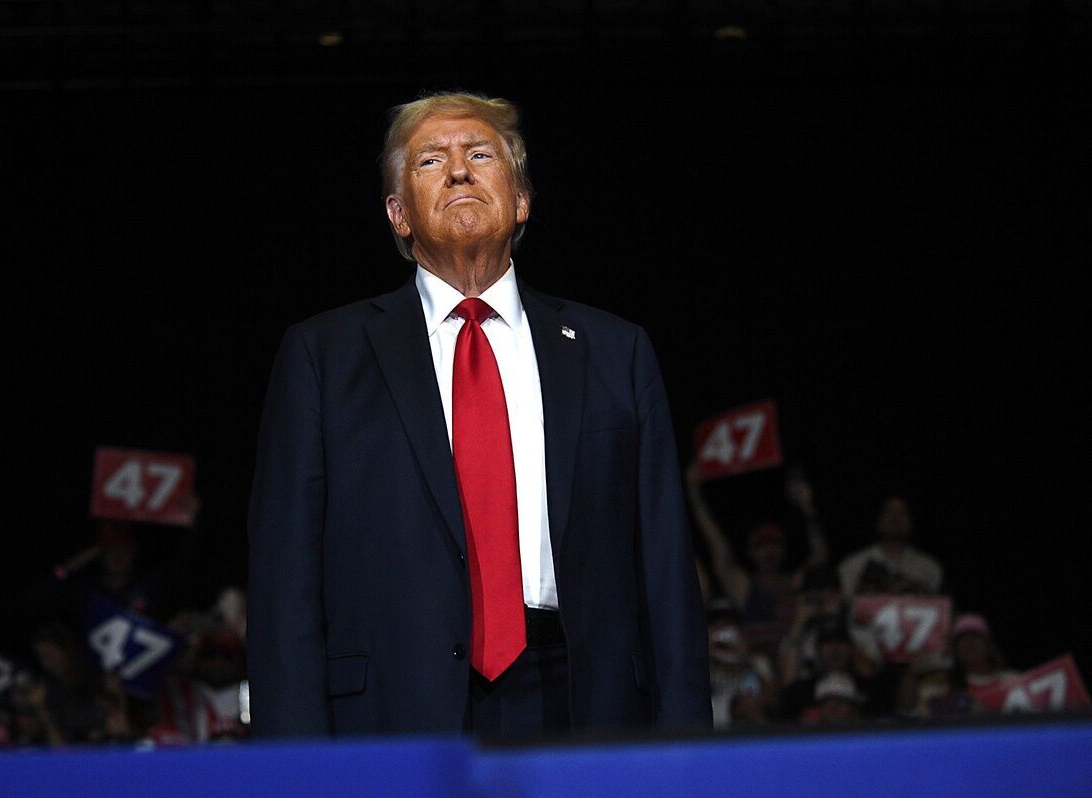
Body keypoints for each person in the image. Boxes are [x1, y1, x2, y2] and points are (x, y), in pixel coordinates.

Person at [248, 91, 711, 738]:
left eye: (481, 154)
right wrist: (295, 762)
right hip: (391, 714)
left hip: (584, 706)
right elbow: (284, 580)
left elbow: (666, 572)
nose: (459, 170)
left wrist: (689, 750)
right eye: (431, 160)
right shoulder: (323, 357)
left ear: (520, 200)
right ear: (397, 213)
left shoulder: (615, 351)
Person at [685, 463, 829, 658]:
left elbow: (820, 555)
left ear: (784, 549)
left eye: (775, 544)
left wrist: (807, 508)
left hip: (793, 662)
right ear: (751, 552)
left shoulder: (795, 582)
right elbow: (718, 546)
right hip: (756, 671)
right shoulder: (745, 588)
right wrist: (694, 493)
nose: (769, 550)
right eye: (761, 545)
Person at [837, 495, 944, 599]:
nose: (895, 518)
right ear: (878, 520)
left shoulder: (929, 568)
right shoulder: (852, 566)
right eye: (889, 512)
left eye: (902, 513)